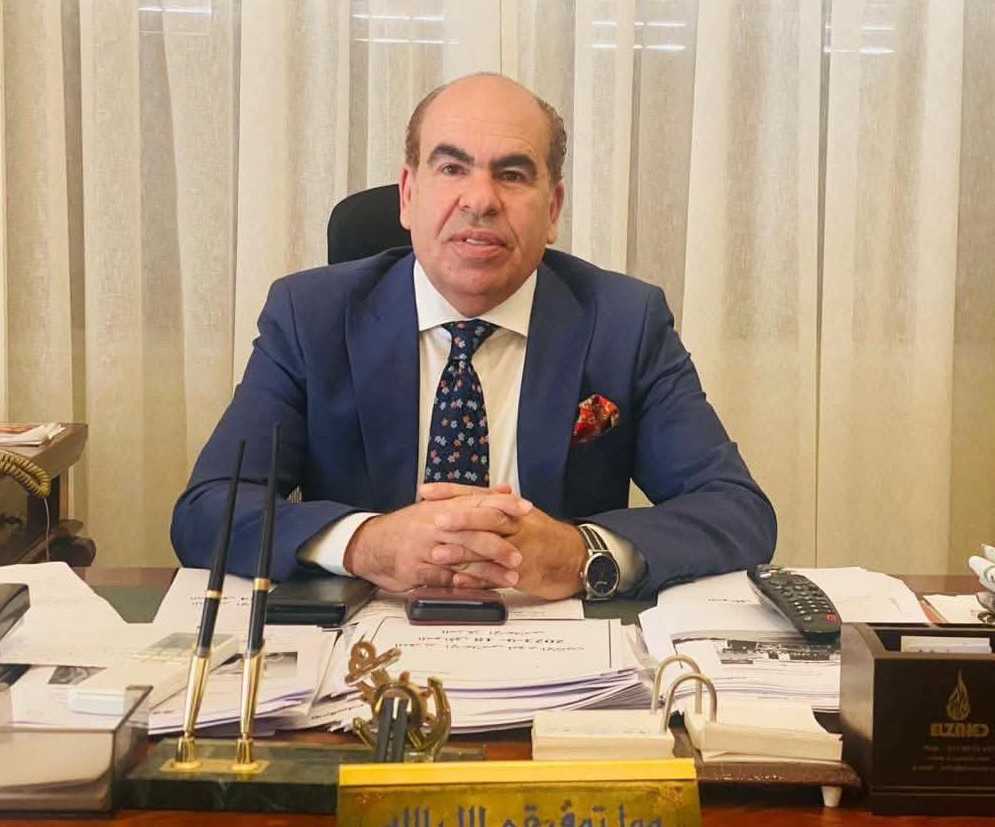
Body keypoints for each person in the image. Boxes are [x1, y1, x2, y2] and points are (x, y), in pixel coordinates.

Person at [171, 73, 774, 600]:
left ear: (553, 209)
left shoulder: (624, 321)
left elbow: (736, 510)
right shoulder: (311, 316)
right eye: (452, 168)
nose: (481, 200)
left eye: (512, 175)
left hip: (557, 648)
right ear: (409, 195)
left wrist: (577, 553)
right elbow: (209, 507)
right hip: (367, 654)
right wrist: (366, 543)